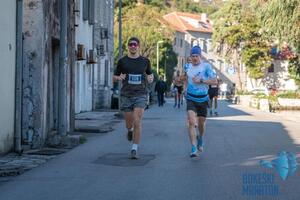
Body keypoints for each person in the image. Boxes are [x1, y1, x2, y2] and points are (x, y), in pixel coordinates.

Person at [113, 37, 154, 159]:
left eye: (135, 44)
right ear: (128, 46)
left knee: (137, 121)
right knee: (129, 123)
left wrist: (150, 78)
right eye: (130, 44)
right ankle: (129, 130)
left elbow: (149, 74)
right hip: (126, 94)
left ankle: (134, 149)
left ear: (138, 46)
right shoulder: (122, 61)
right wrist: (118, 78)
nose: (132, 46)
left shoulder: (145, 61)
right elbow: (114, 76)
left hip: (141, 94)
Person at [183, 46, 217, 157]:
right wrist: (184, 87)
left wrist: (201, 80)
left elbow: (215, 81)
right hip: (191, 98)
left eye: (196, 56)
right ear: (190, 57)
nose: (194, 58)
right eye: (192, 56)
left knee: (201, 125)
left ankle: (200, 138)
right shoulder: (187, 66)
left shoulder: (206, 66)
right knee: (192, 122)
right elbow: (185, 79)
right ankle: (193, 147)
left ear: (200, 56)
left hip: (203, 99)